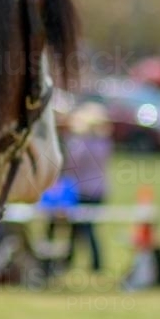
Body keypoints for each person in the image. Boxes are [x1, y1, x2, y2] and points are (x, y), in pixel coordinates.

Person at [60, 100, 113, 272]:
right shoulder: (104, 143)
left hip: (83, 191)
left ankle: (92, 263)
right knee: (83, 228)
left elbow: (70, 165)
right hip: (99, 190)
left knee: (84, 228)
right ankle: (72, 260)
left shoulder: (81, 144)